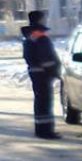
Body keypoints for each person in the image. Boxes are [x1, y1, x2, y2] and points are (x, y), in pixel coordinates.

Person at [21, 10, 62, 139]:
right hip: (43, 73)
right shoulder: (40, 36)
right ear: (39, 20)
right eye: (44, 18)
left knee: (40, 101)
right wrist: (54, 71)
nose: (46, 20)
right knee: (45, 102)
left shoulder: (30, 35)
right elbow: (46, 58)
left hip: (36, 72)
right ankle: (46, 131)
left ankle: (41, 129)